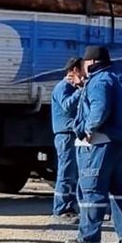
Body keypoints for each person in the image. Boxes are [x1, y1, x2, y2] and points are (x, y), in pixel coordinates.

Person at [67, 45, 122, 243]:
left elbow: (99, 109)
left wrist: (88, 130)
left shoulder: (99, 81)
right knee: (121, 190)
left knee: (91, 190)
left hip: (101, 142)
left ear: (91, 62)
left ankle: (89, 237)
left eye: (84, 63)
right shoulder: (119, 77)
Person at [50, 56, 84, 224]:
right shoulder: (62, 87)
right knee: (65, 173)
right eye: (83, 70)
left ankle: (70, 207)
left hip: (72, 134)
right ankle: (61, 209)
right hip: (65, 135)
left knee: (73, 173)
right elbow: (67, 105)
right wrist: (81, 90)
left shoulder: (72, 87)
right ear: (75, 71)